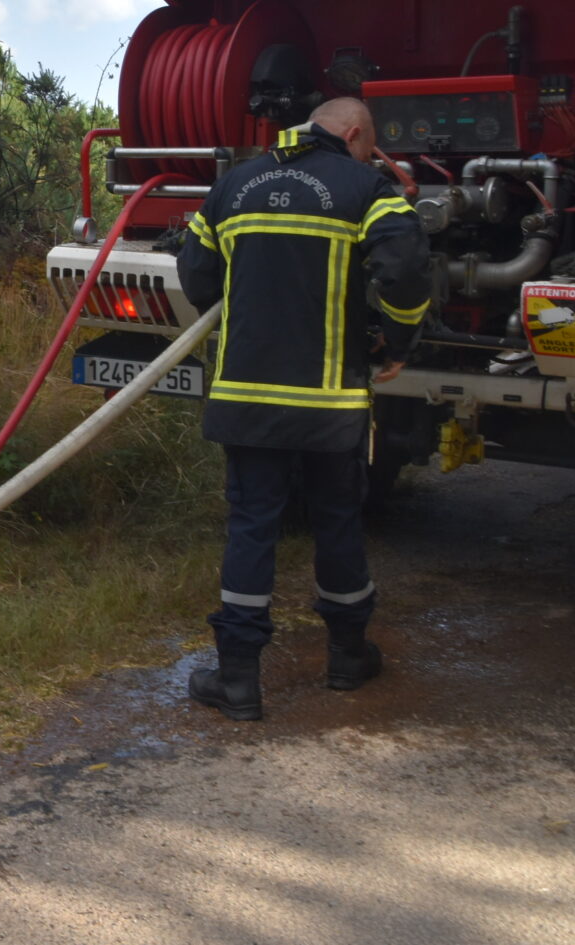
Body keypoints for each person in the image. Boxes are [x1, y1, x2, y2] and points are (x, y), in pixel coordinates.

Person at [175, 97, 430, 720]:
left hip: (247, 398)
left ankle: (238, 679)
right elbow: (405, 269)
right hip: (330, 402)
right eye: (369, 146)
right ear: (353, 133)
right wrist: (396, 341)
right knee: (337, 519)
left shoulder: (234, 184)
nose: (370, 157)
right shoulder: (366, 189)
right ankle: (347, 657)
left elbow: (196, 272)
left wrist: (247, 303)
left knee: (252, 524)